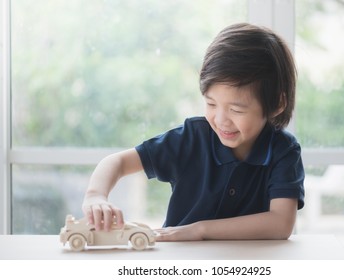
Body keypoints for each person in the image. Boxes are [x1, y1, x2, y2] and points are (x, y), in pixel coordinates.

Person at [82, 23, 305, 241]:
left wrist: (200, 230)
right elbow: (117, 162)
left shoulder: (283, 150)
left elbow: (281, 223)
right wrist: (95, 196)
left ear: (276, 103)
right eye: (211, 104)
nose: (220, 120)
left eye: (236, 110)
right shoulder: (192, 137)